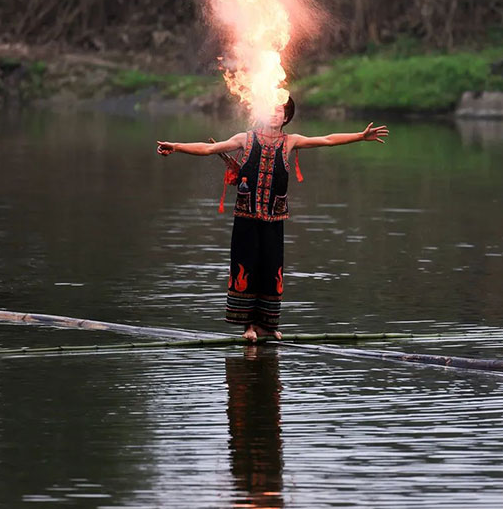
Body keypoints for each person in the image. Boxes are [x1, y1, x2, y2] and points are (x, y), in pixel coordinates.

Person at [157, 98, 388, 343]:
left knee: (271, 268)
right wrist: (176, 146)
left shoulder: (290, 141)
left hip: (274, 219)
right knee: (246, 266)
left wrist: (360, 136)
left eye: (280, 111)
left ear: (286, 117)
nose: (275, 114)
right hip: (246, 218)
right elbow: (207, 149)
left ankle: (266, 325)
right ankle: (248, 326)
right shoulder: (245, 138)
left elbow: (327, 140)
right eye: (270, 110)